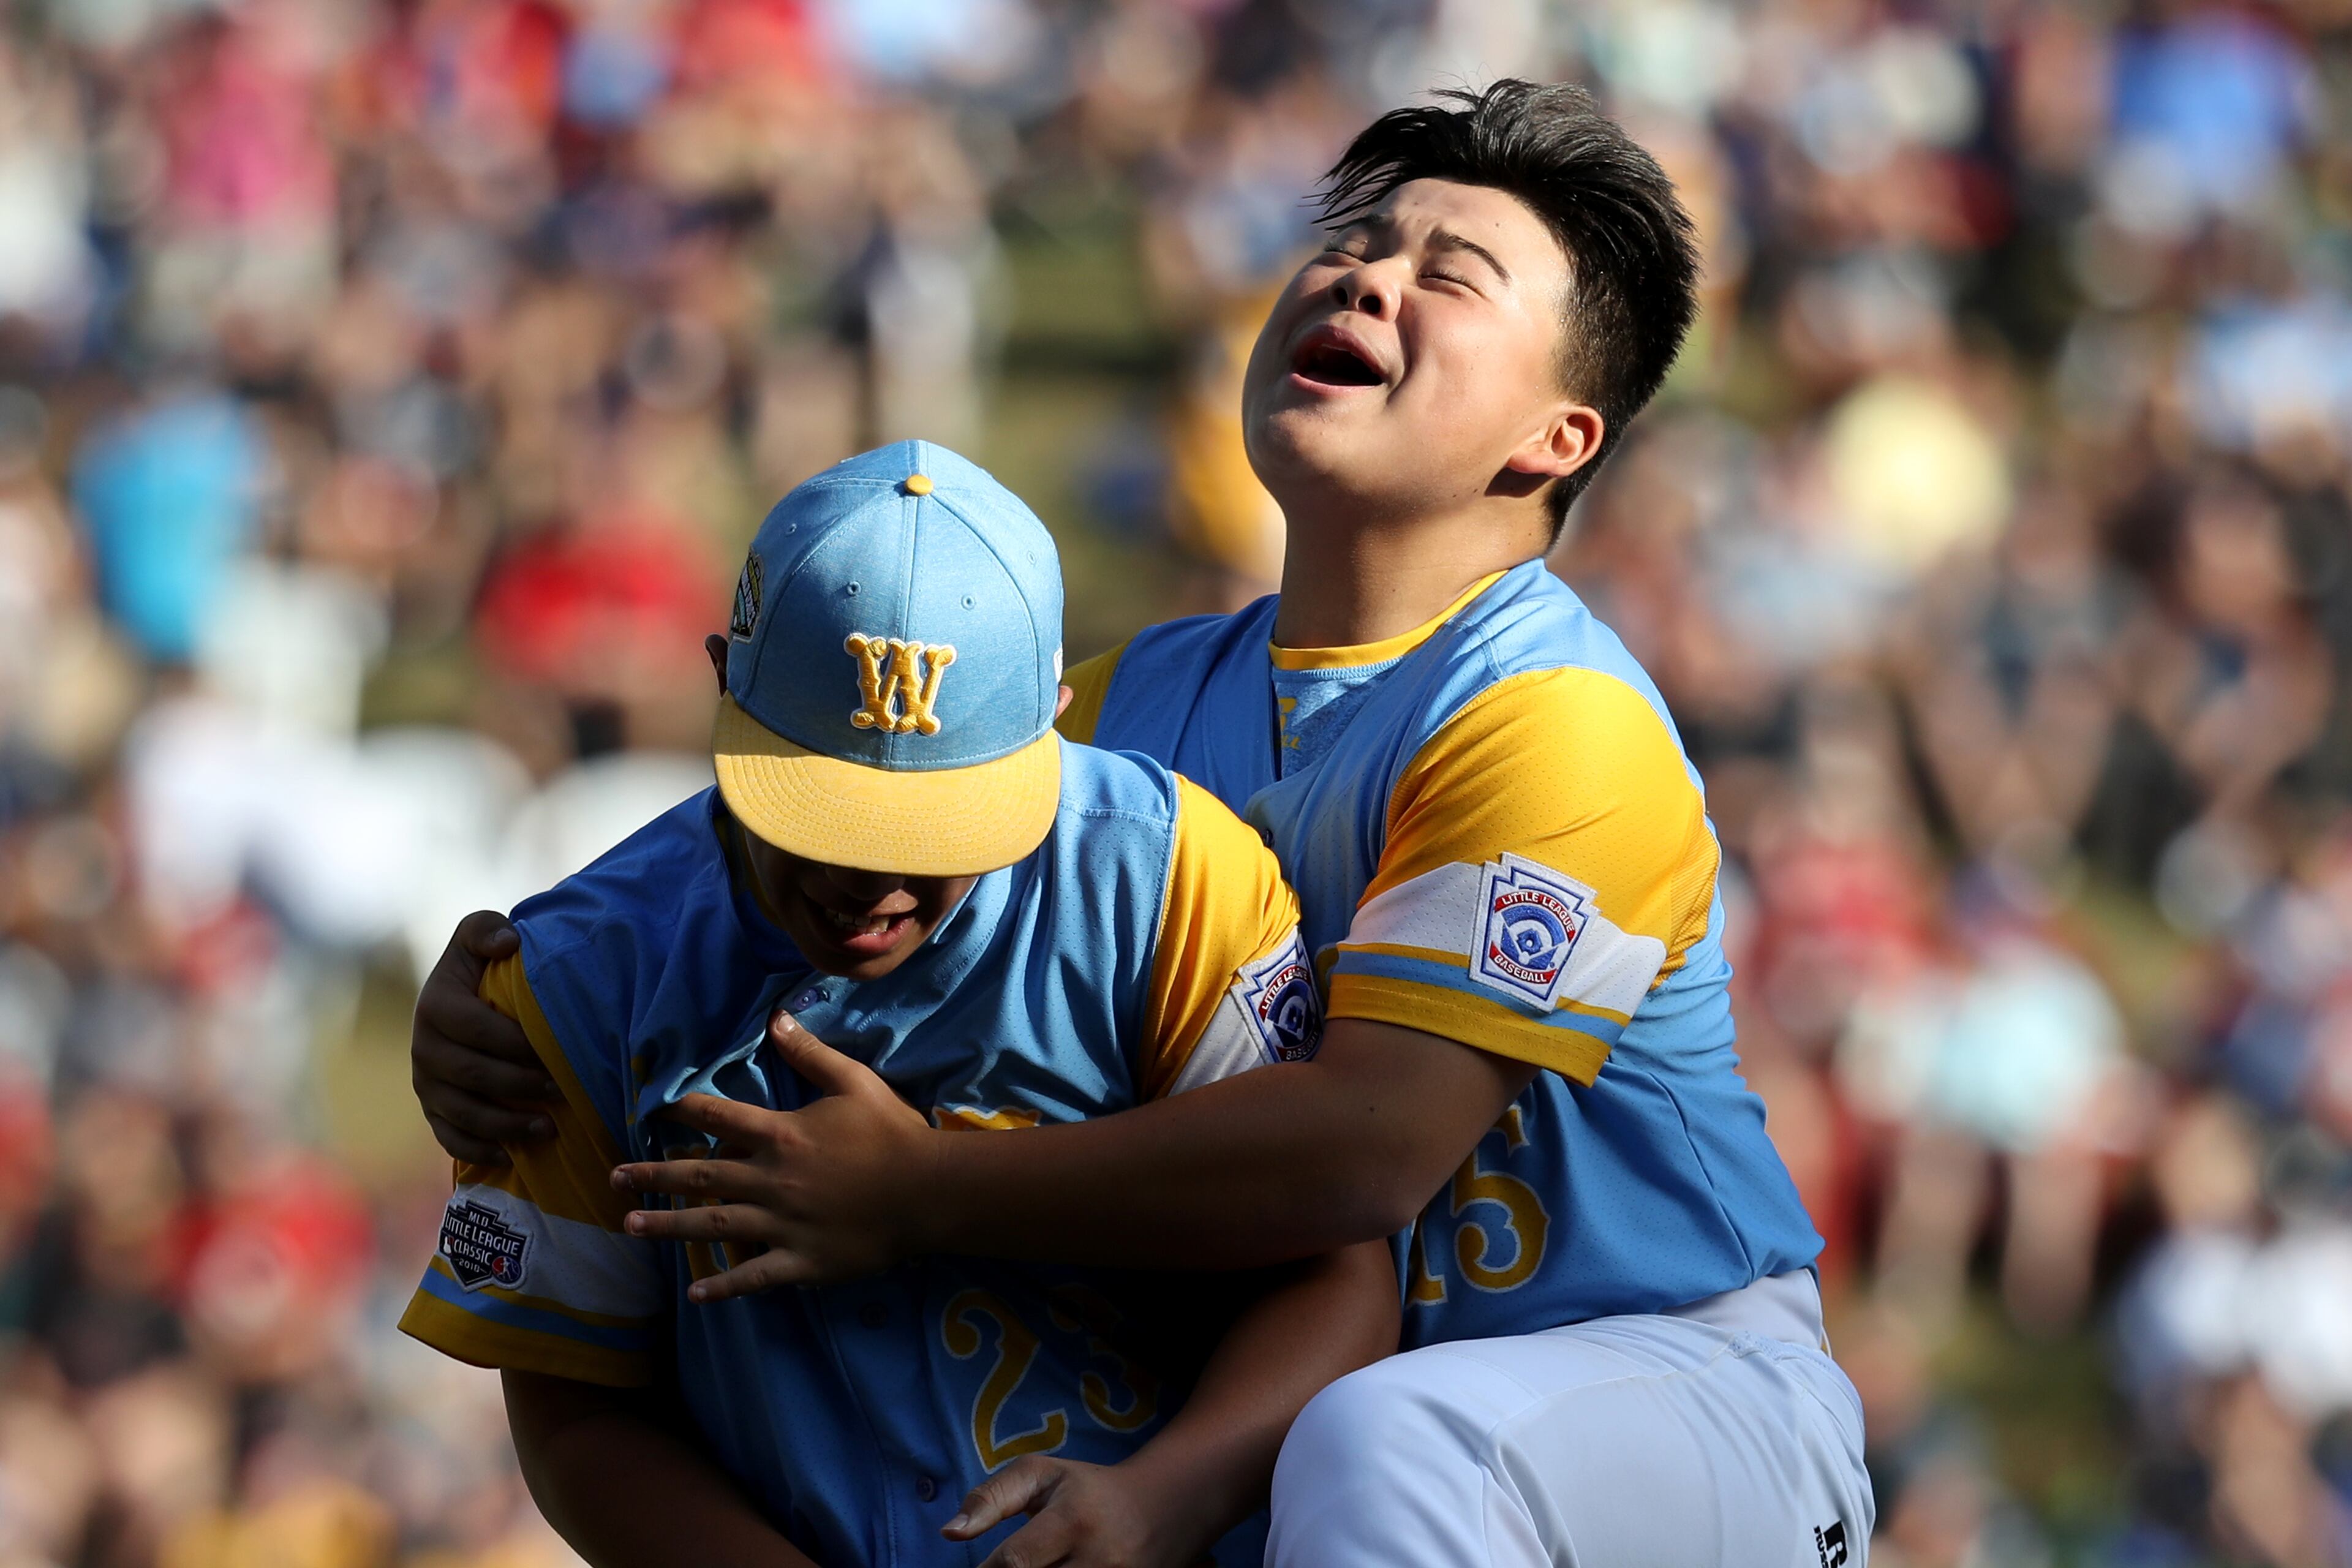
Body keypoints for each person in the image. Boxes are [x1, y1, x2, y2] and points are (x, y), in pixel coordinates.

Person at [417, 84, 1875, 1566]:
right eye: (1355, 243)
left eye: (1450, 275)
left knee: (1384, 1444)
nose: (1366, 274)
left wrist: (926, 1191)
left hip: (1676, 1394)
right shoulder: (1132, 704)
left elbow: (1362, 1155)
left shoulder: (1557, 716)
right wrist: (512, 990)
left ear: (1558, 436)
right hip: (1345, 1444)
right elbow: (810, 805)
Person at [398, 442, 1397, 1568]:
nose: (873, 884)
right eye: (822, 816)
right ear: (722, 677)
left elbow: (1334, 1265)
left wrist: (1167, 1497)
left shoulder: (1170, 888)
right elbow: (577, 1409)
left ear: (1055, 721)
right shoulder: (577, 980)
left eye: (935, 833)